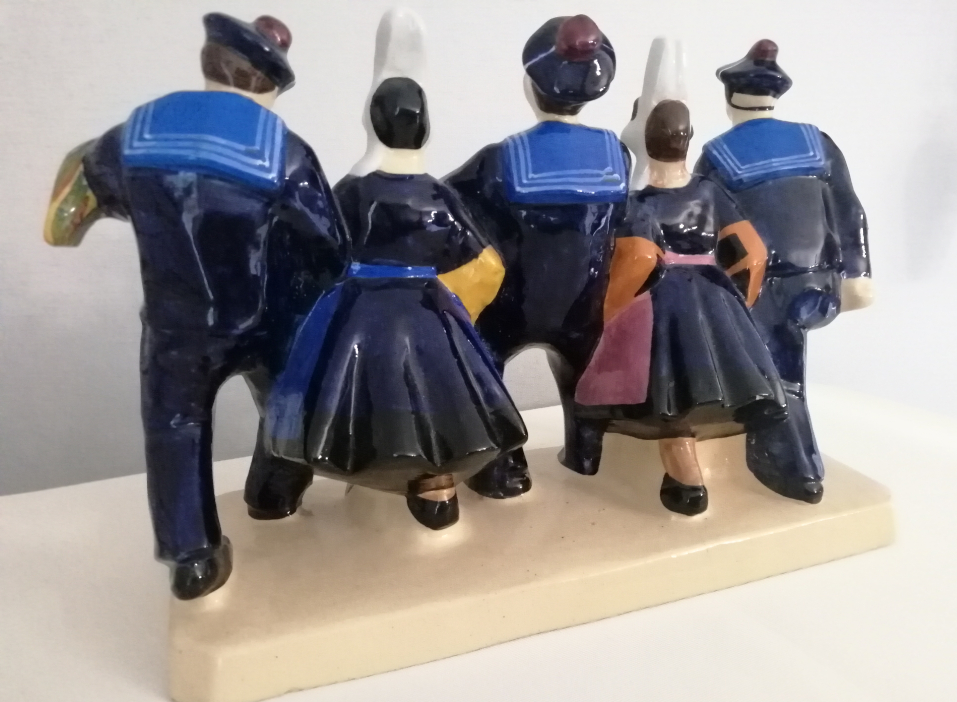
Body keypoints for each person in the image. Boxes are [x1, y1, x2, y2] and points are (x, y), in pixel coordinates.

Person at [43, 14, 346, 599]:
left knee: (175, 428)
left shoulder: (133, 135)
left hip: (175, 325)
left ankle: (192, 558)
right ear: (269, 84)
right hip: (264, 315)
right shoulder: (283, 152)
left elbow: (63, 221)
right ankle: (274, 492)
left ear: (211, 62)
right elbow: (331, 248)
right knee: (286, 399)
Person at [264, 77, 527, 530]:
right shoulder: (437, 196)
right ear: (425, 129)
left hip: (358, 314)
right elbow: (488, 265)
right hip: (427, 312)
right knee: (439, 404)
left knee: (338, 397)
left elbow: (320, 248)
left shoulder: (353, 191)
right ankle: (436, 494)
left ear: (372, 123)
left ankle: (291, 486)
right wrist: (459, 312)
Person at [446, 15, 631, 499]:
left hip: (512, 302)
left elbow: (443, 204)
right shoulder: (618, 156)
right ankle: (587, 456)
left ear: (531, 86)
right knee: (584, 379)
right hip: (585, 304)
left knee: (487, 367)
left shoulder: (500, 158)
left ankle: (502, 467)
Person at [575, 100, 786, 514]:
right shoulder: (711, 191)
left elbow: (639, 258)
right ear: (688, 141)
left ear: (645, 142)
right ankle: (689, 475)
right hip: (713, 292)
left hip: (662, 301)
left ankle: (686, 479)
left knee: (666, 392)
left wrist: (610, 314)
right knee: (706, 384)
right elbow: (754, 254)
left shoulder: (639, 203)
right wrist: (738, 304)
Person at [693, 40, 873, 504]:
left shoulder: (717, 155)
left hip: (764, 287)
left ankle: (794, 468)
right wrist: (858, 274)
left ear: (731, 99)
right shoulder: (818, 141)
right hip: (821, 281)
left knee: (778, 375)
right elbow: (850, 209)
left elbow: (708, 227)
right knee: (781, 368)